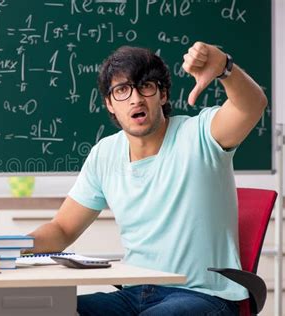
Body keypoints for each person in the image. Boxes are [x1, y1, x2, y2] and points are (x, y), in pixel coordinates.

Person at [26, 42, 267, 316]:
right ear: (109, 104)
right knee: (45, 310)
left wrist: (225, 67)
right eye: (122, 90)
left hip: (205, 297)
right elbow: (62, 230)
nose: (136, 99)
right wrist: (11, 249)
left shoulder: (200, 135)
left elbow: (252, 106)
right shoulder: (104, 154)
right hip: (134, 294)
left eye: (146, 86)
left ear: (162, 95)